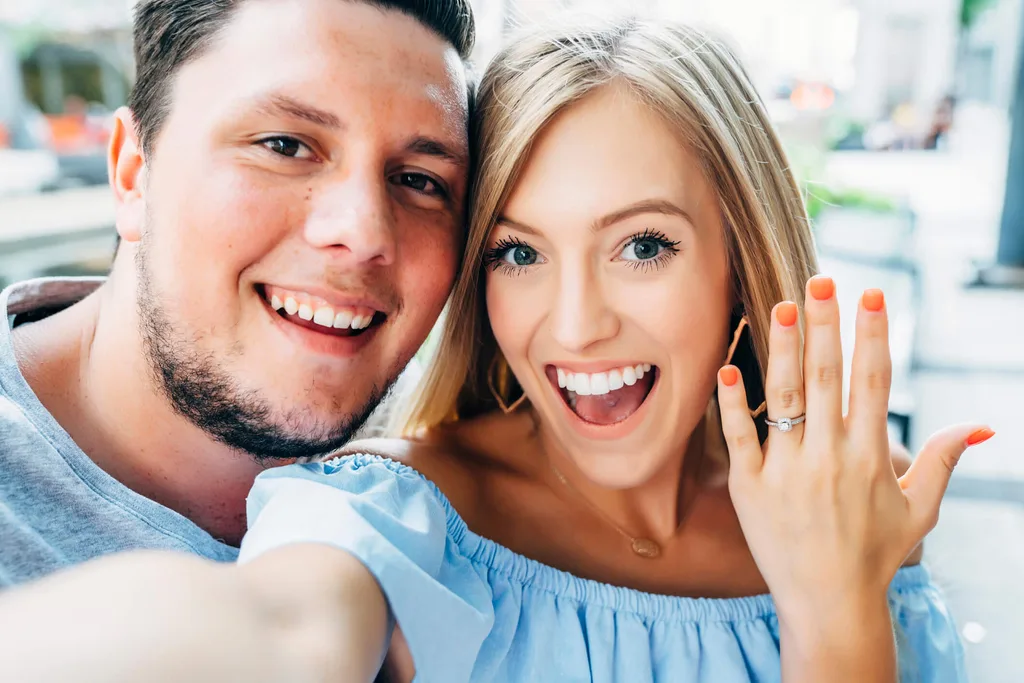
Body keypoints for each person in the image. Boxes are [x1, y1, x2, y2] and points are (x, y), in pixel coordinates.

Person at [237, 15, 989, 682]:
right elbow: (270, 635)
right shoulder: (388, 519)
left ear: (741, 258)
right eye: (519, 254)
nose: (574, 326)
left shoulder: (854, 495)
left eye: (642, 245)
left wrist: (838, 604)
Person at [0, 0, 473, 677]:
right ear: (133, 172)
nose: (365, 232)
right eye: (285, 145)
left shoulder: (462, 492)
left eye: (420, 181)